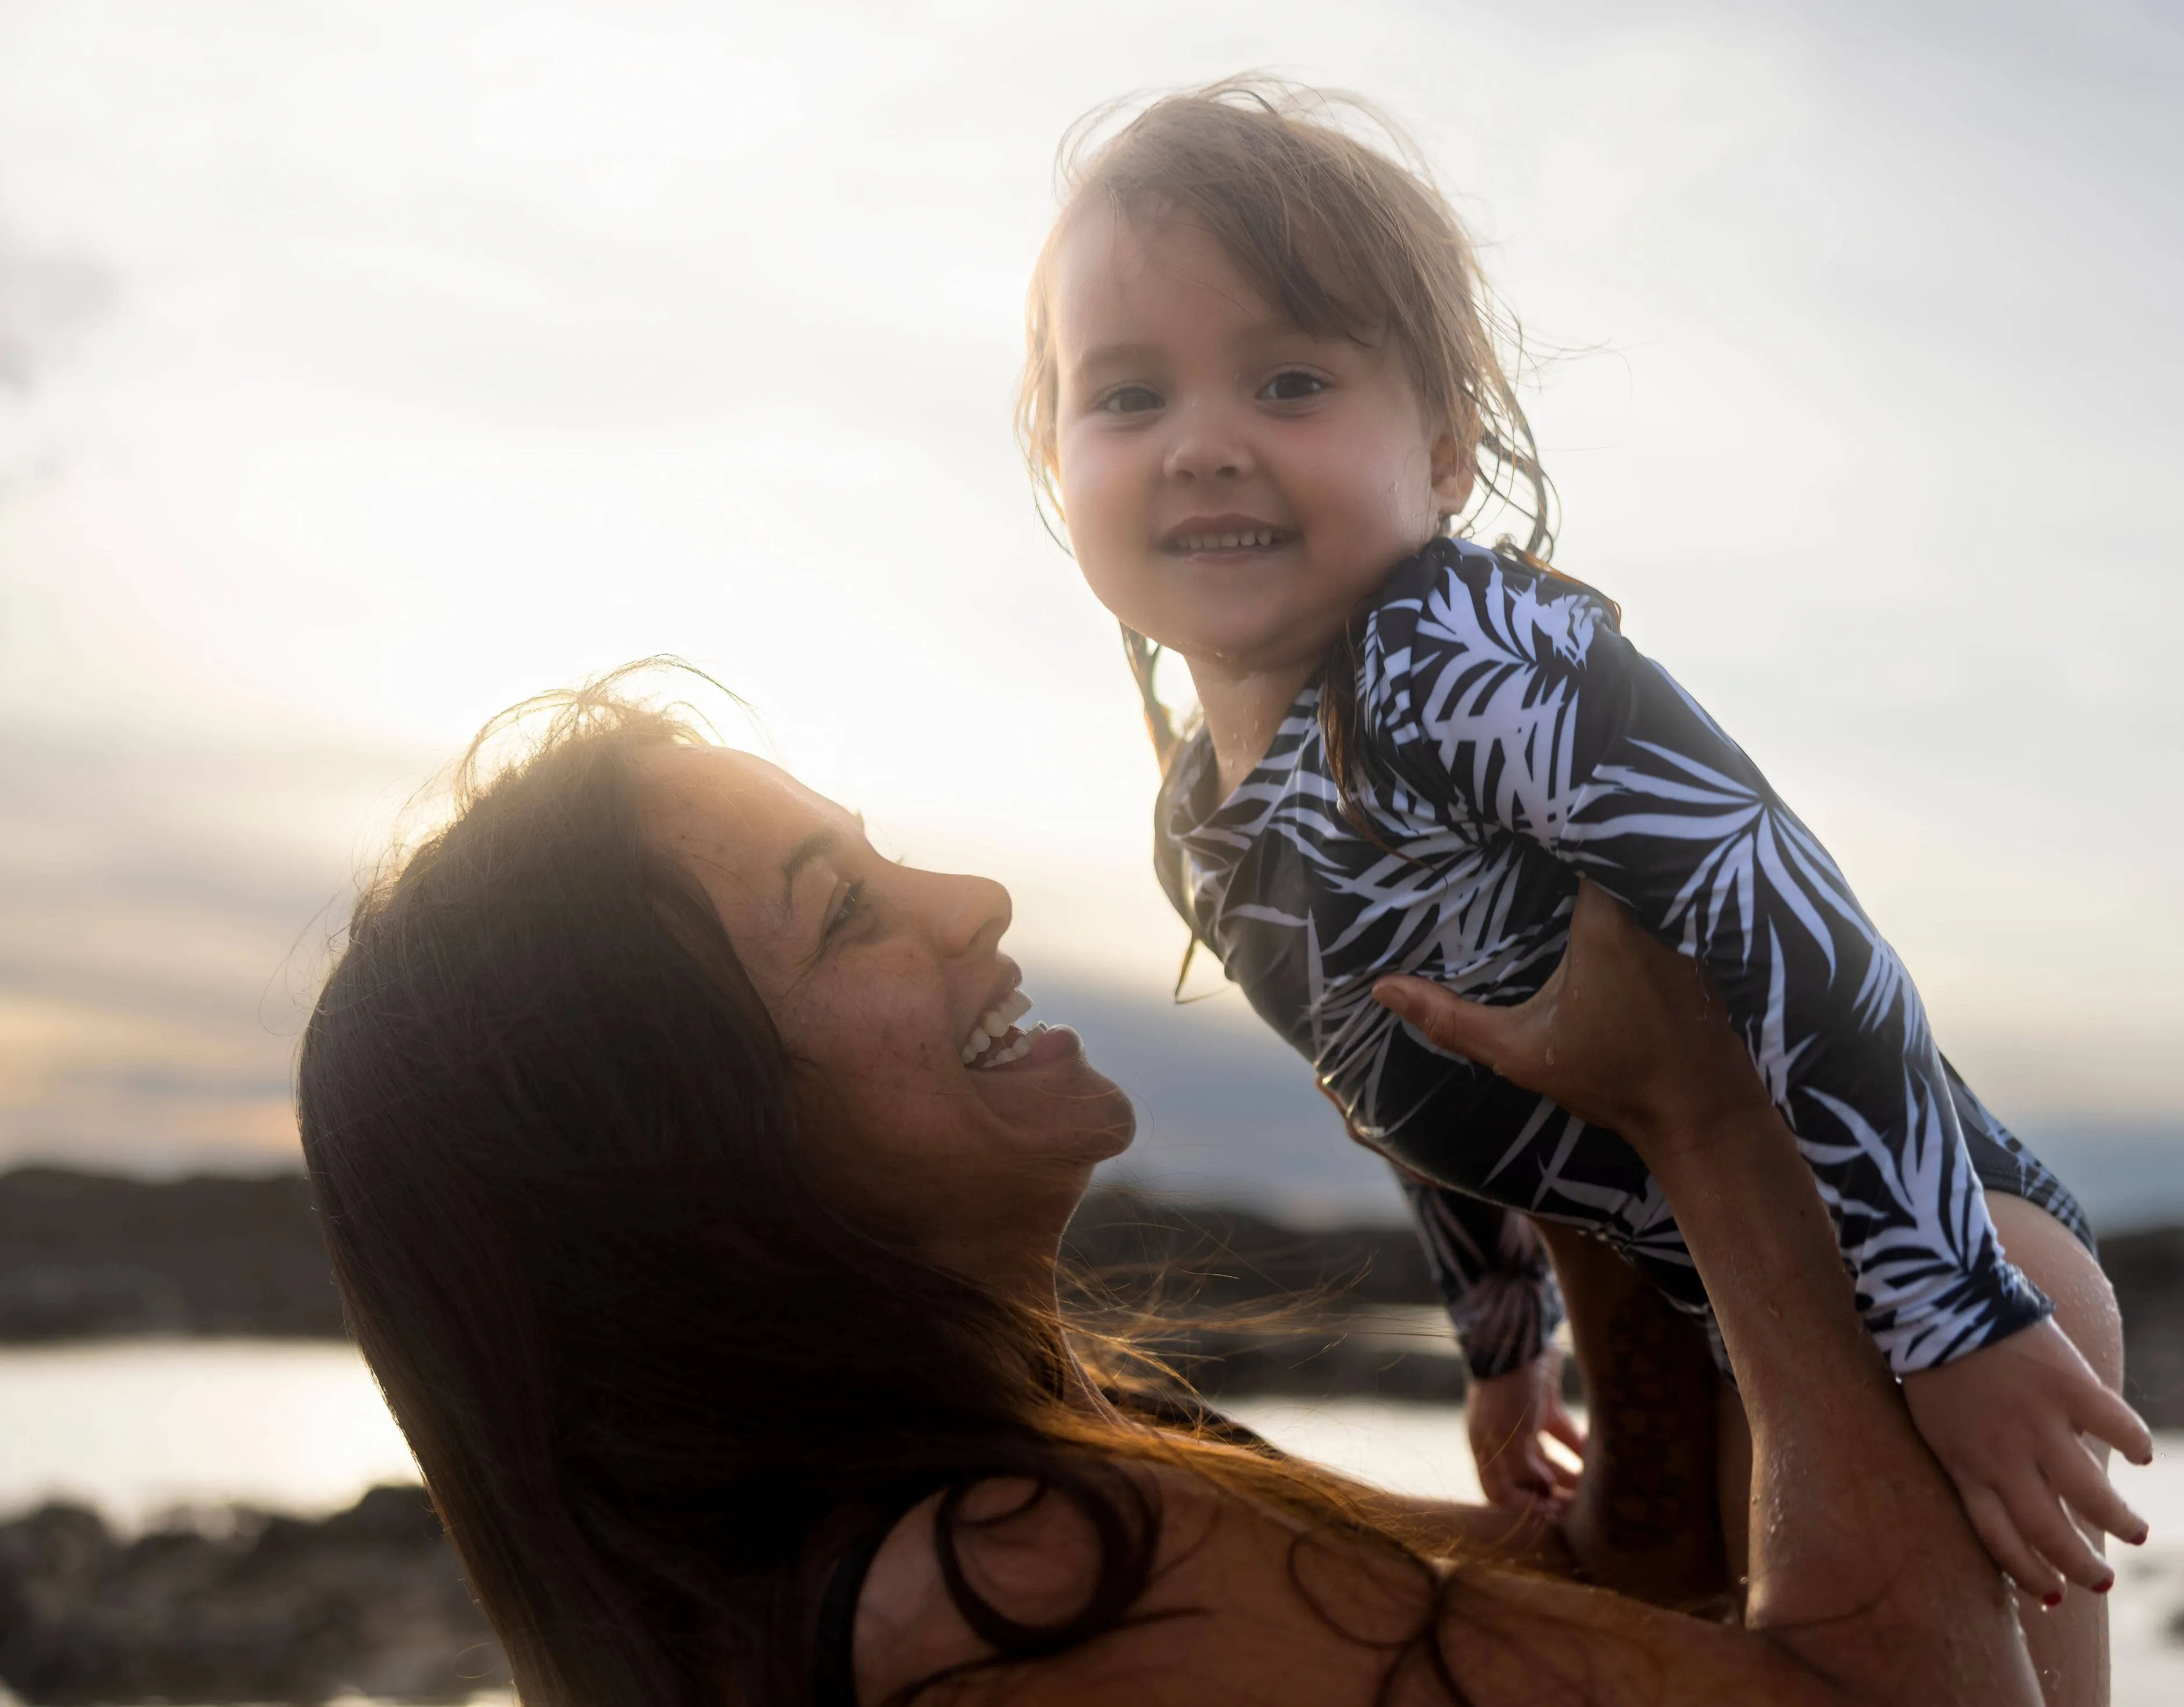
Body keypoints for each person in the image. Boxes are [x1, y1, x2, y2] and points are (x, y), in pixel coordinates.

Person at [1015, 78, 2148, 1692]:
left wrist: (1949, 1307)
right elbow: (1401, 1071)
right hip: (1753, 1330)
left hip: (1936, 1270)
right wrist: (1499, 1345)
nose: (1204, 444)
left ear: (1448, 445)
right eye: (1126, 396)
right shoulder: (1205, 831)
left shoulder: (1463, 659)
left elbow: (1787, 907)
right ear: (1056, 462)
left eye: (1288, 379)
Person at [295, 675, 2061, 1706]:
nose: (967, 898)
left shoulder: (1033, 1485)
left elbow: (1643, 1575)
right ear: (686, 1174)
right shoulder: (1015, 1586)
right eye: (843, 914)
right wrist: (1711, 1126)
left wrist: (1537, 1101)